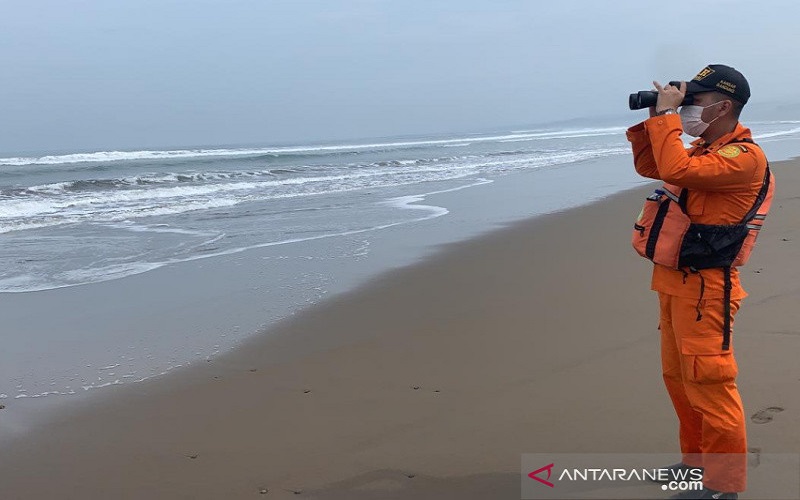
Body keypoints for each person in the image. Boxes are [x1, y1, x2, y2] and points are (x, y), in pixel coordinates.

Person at [626, 64, 773, 500]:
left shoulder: (744, 158)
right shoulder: (702, 149)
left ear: (724, 106)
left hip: (708, 289)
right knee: (679, 379)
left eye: (697, 102)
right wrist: (658, 114)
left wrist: (669, 118)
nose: (689, 109)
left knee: (709, 383)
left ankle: (722, 486)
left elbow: (677, 167)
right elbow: (652, 164)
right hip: (674, 283)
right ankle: (695, 465)